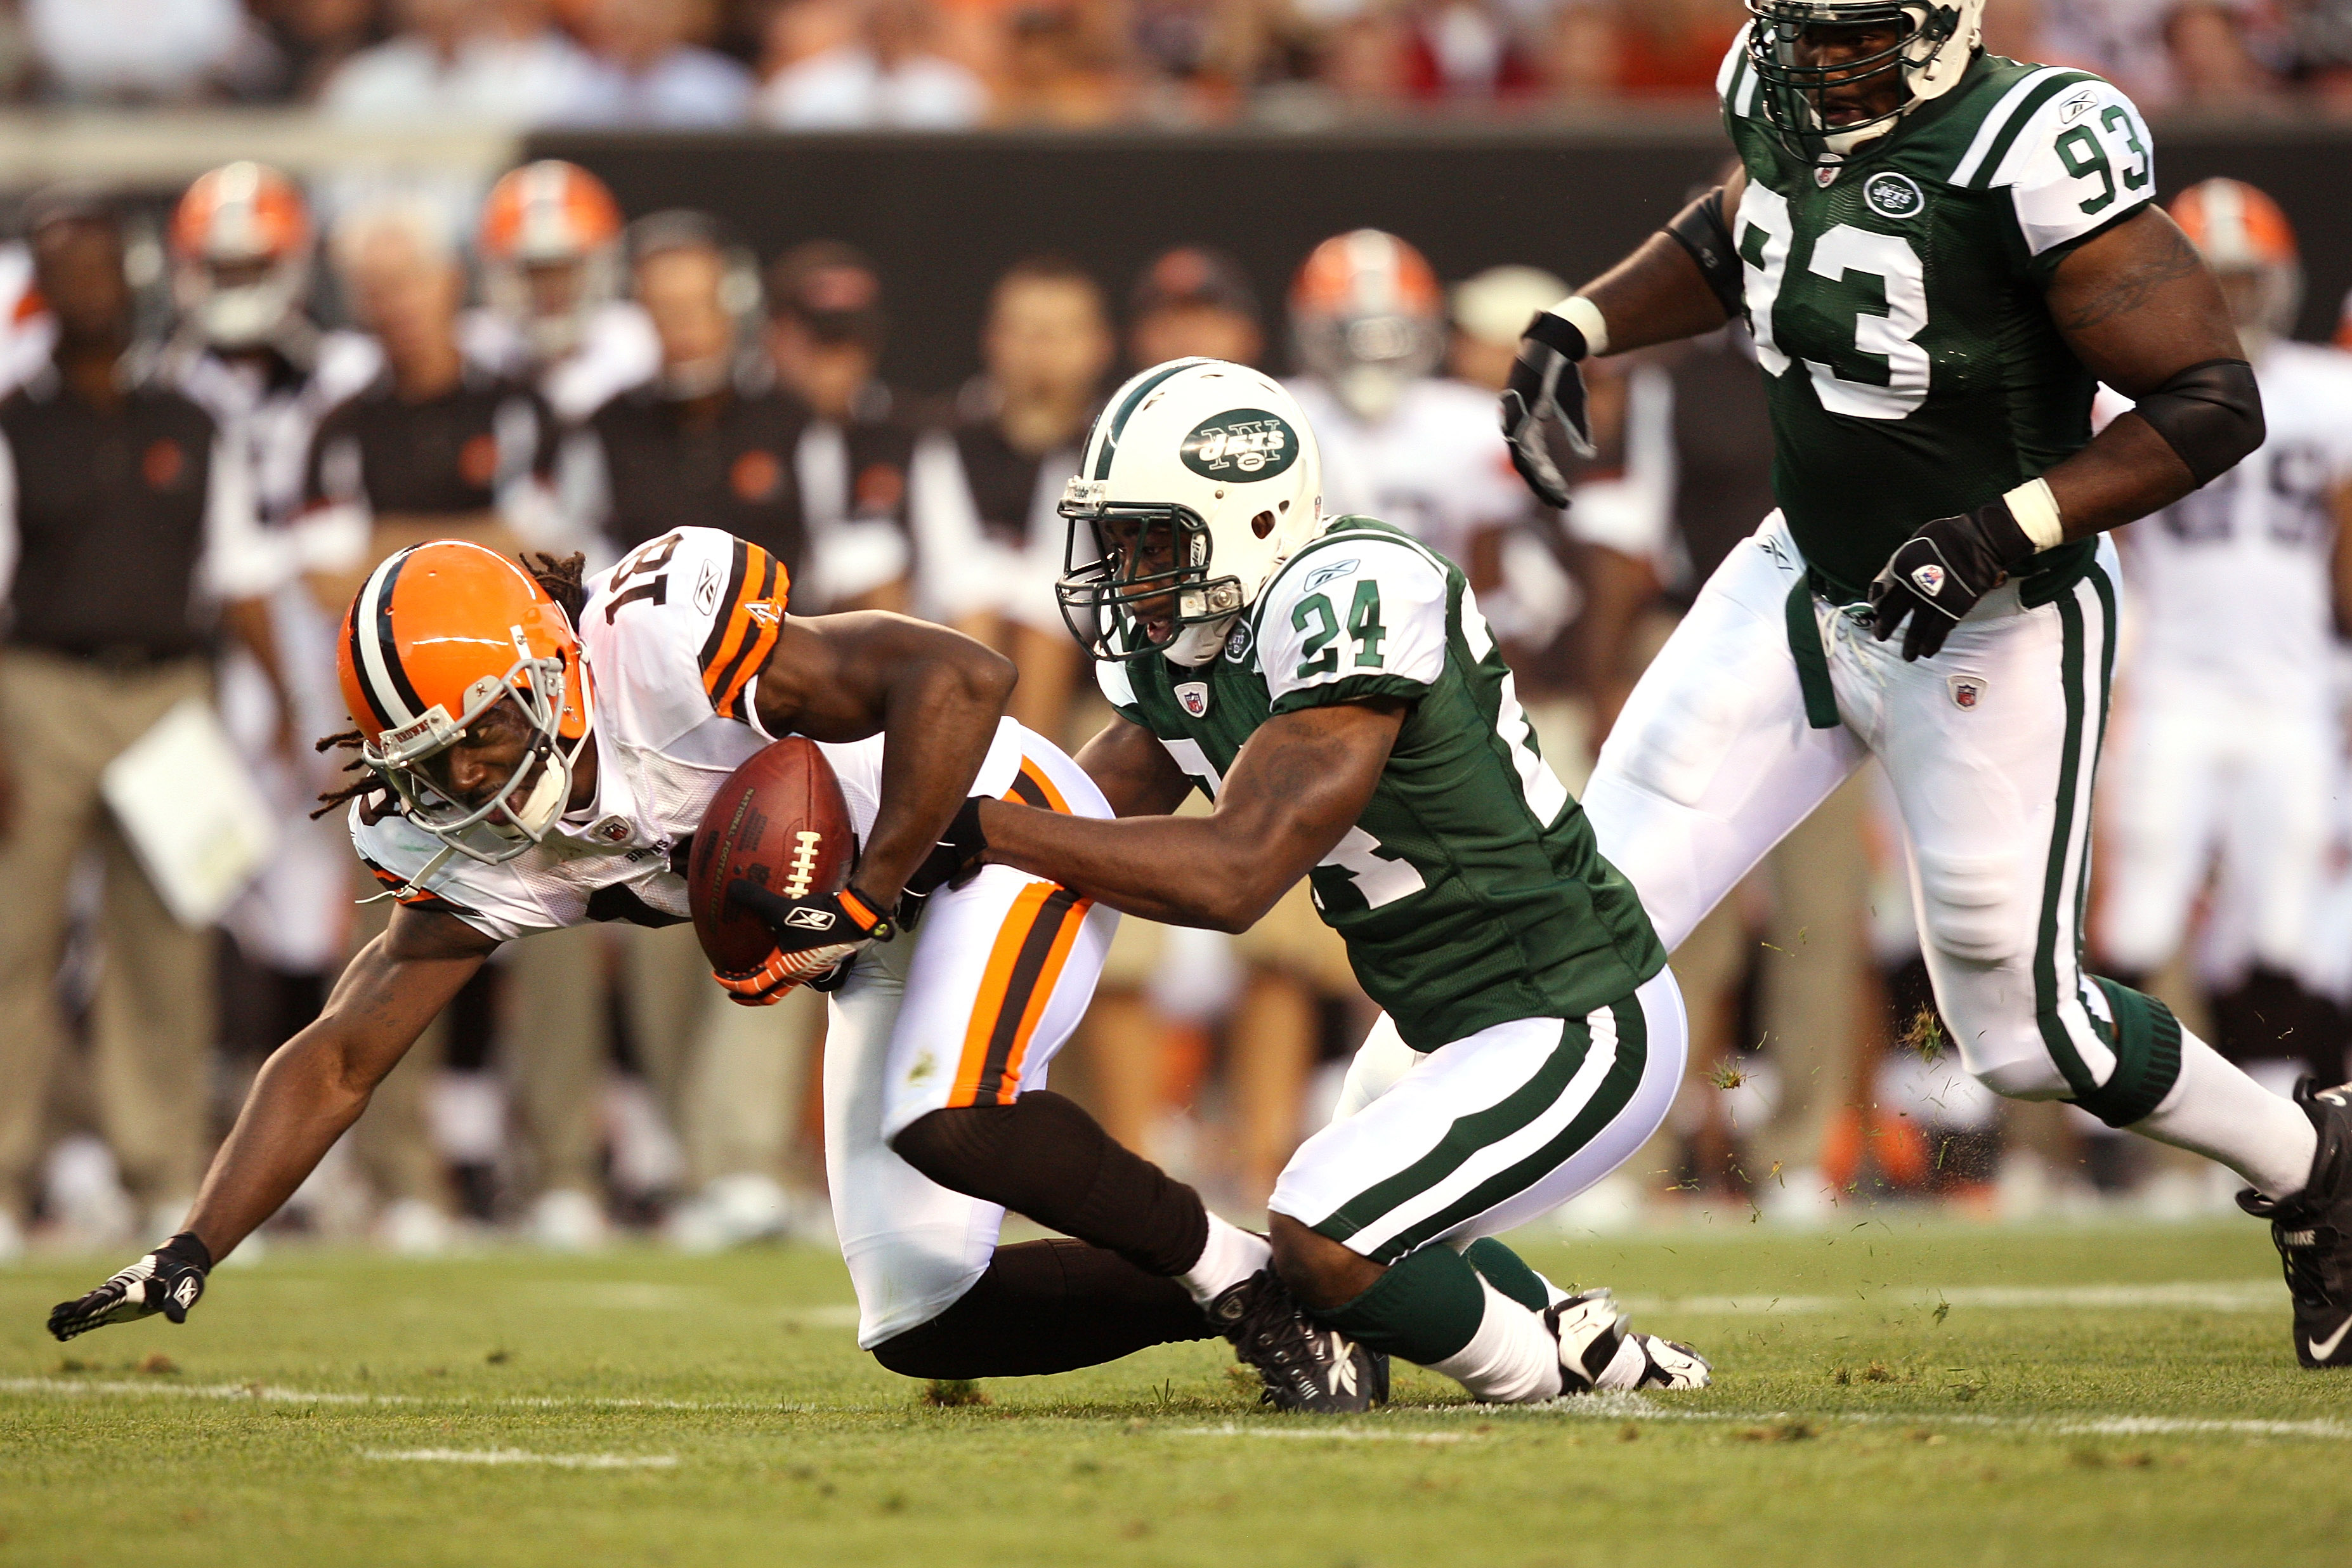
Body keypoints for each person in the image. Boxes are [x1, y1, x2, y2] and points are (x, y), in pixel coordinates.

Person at [43, 526, 1373, 1413]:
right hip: (873, 934)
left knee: (953, 1116)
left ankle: (1256, 1289)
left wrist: (866, 887)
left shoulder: (661, 646)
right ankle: (1286, 1289)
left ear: (547, 668)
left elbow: (962, 678)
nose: (461, 779)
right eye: (427, 763)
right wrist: (194, 1244)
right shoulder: (465, 836)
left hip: (990, 834)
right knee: (926, 1319)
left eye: (476, 736)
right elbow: (342, 1051)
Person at [1495, 2, 2348, 1366]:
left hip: (1999, 620)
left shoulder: (2030, 140)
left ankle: (2315, 1167)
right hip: (1800, 578)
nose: (1813, 61)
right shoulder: (1774, 88)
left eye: (1851, 35)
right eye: (1799, 30)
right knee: (1580, 914)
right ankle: (1383, 1258)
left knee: (2023, 1035)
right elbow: (1741, 232)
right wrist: (1581, 319)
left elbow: (2209, 398)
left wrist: (2003, 527)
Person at [960, 358, 1713, 1405]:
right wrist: (896, 871)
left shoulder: (1350, 594)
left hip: (1568, 1009)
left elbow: (1233, 874)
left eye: (1152, 540)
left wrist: (981, 830)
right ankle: (1596, 1352)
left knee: (1323, 1239)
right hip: (1430, 1022)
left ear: (1254, 519)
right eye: (1116, 540)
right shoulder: (1187, 649)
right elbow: (1076, 819)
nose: (1127, 571)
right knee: (1348, 1243)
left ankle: (1548, 1378)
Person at [0, 187, 288, 1261]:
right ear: (41, 290)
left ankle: (163, 1174)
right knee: (15, 941)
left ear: (131, 280)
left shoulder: (193, 417)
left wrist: (286, 700)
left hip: (172, 691)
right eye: (66, 271)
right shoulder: (14, 421)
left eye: (101, 268)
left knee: (169, 944)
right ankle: (7, 1175)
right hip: (42, 684)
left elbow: (238, 571)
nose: (89, 289)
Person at [301, 197, 578, 1250]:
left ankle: (563, 1172)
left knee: (560, 919)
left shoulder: (516, 401)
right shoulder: (341, 416)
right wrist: (466, 546)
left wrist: (393, 553)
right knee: (393, 937)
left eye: (408, 281)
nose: (394, 305)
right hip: (389, 721)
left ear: (451, 283)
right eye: (374, 288)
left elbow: (543, 548)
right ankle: (402, 1182)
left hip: (521, 716)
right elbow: (319, 571)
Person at [2097, 179, 2352, 1094]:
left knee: (2282, 925)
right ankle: (2108, 1131)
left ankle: (2276, 1127)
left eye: (2248, 282)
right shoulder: (2125, 397)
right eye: (2219, 282)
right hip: (2175, 688)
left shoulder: (2328, 393)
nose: (2236, 302)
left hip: (2292, 694)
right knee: (2140, 915)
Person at [161, 162, 387, 1073]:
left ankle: (292, 1082)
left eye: (252, 266)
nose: (236, 286)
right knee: (187, 867)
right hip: (196, 645)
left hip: (316, 640)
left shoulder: (350, 376)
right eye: (222, 268)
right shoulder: (161, 382)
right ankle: (211, 1071)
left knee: (311, 868)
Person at [910, 254, 1114, 743]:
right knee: (978, 609)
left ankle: (1028, 777)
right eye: (1024, 331)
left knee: (1042, 619)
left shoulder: (1120, 445)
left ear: (1100, 345)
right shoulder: (943, 434)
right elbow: (939, 571)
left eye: (1060, 332)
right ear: (992, 339)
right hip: (965, 629)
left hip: (1094, 652)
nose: (1040, 350)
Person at [766, 241, 916, 616]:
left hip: (884, 620)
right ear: (776, 335)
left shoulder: (905, 431)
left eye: (855, 342)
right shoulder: (737, 426)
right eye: (824, 343)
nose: (842, 362)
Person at [466, 159, 660, 428]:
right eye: (535, 272)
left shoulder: (636, 349)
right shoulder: (477, 349)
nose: (551, 289)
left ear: (600, 269)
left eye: (564, 270)